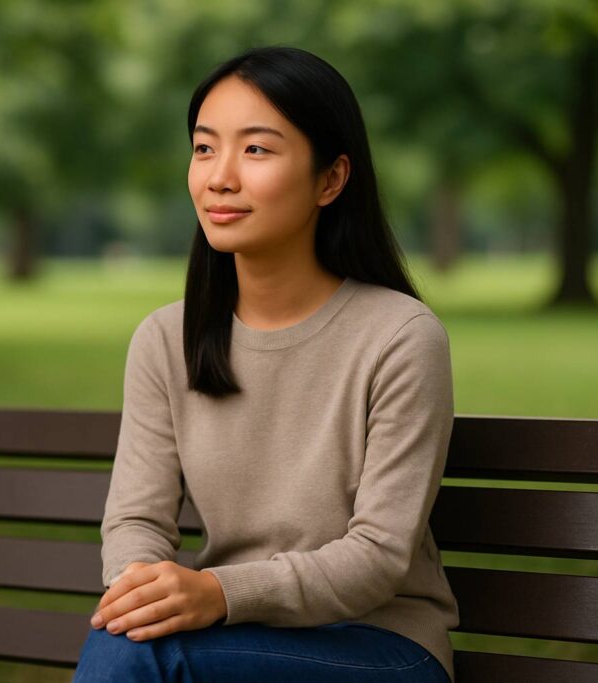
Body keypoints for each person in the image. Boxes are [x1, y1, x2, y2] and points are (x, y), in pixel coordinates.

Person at [73, 45, 459, 682]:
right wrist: (140, 590)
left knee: (136, 658)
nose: (220, 176)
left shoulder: (400, 337)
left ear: (330, 179)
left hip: (380, 649)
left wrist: (220, 593)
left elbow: (378, 557)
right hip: (227, 641)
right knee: (130, 643)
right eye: (204, 148)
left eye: (256, 149)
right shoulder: (166, 339)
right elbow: (137, 518)